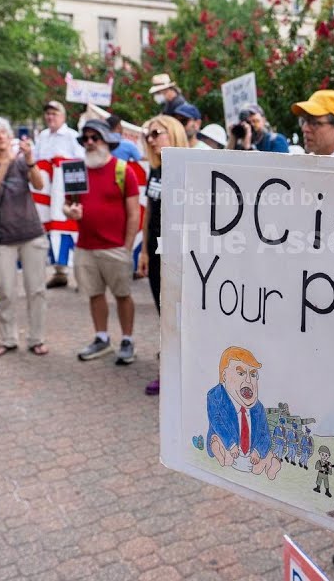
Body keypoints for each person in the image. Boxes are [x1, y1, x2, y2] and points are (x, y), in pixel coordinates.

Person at [64, 119, 141, 366]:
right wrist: (69, 212)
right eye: (85, 138)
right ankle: (102, 338)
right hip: (86, 247)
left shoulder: (123, 170)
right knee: (94, 294)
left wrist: (127, 247)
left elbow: (134, 213)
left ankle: (127, 340)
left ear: (106, 140)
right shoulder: (76, 170)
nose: (89, 142)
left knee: (123, 295)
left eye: (94, 137)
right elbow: (68, 204)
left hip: (115, 247)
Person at [0, 116, 51, 357]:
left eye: (4, 132)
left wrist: (30, 161)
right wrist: (5, 164)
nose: (1, 137)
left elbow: (39, 185)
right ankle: (8, 339)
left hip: (31, 233)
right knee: (6, 291)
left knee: (37, 290)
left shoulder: (21, 163)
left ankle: (37, 338)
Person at [136, 113, 188, 396]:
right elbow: (149, 212)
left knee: (180, 316)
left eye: (156, 133)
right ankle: (168, 370)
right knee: (163, 313)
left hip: (179, 254)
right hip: (156, 253)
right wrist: (144, 250)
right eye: (148, 135)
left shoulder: (188, 168)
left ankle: (179, 372)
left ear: (173, 133)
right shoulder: (155, 170)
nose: (151, 140)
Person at [200, 346, 282, 479]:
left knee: (259, 465)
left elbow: (265, 433)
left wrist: (257, 451)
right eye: (241, 373)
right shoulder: (216, 396)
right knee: (223, 450)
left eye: (253, 375)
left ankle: (270, 465)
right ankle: (220, 452)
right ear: (224, 376)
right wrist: (231, 444)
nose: (248, 380)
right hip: (228, 446)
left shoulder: (258, 408)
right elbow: (217, 422)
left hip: (250, 453)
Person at [35, 100, 85, 289]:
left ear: (63, 116)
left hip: (66, 191)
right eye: (48, 114)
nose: (50, 117)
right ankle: (59, 272)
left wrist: (61, 163)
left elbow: (81, 161)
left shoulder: (72, 136)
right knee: (51, 230)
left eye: (54, 113)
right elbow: (37, 161)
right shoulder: (43, 136)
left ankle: (81, 276)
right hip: (47, 193)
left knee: (70, 229)